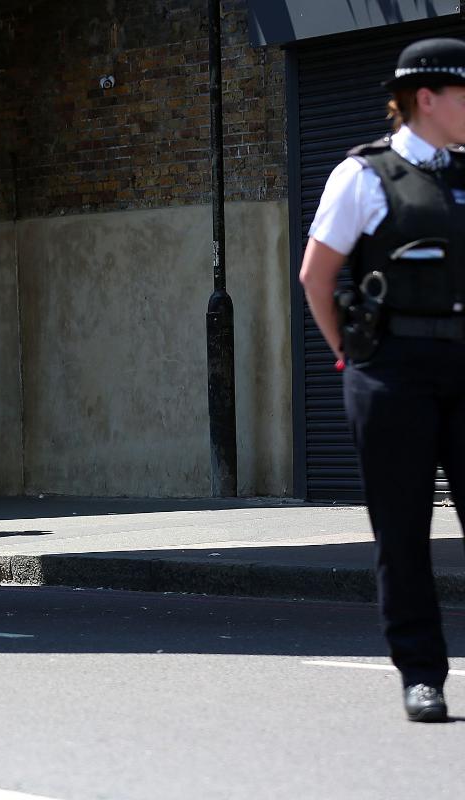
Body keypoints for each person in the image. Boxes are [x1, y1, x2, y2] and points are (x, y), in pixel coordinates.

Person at [299, 37, 465, 723]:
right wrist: (355, 355)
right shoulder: (364, 176)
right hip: (391, 370)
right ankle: (421, 673)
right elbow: (317, 275)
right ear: (427, 98)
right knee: (403, 530)